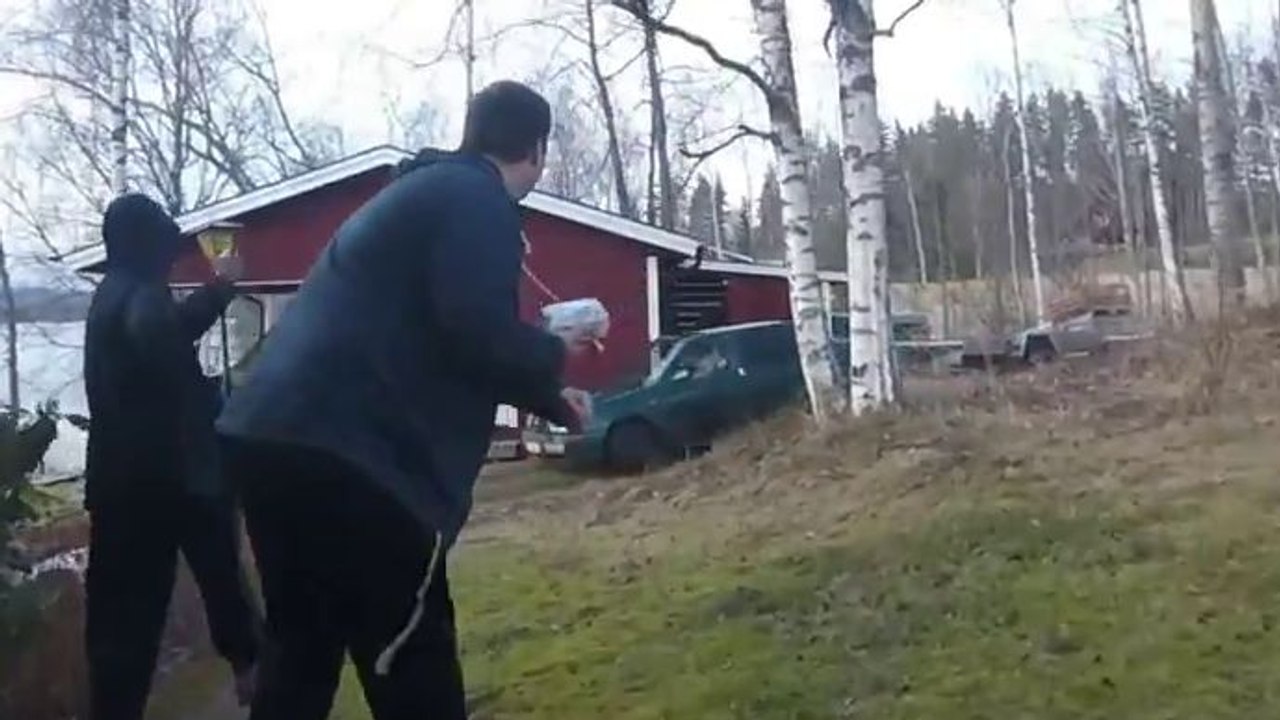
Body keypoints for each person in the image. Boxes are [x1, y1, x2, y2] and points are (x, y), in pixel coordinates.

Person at [216, 80, 590, 719]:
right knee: (410, 653)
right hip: (357, 455)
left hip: (271, 435)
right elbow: (475, 332)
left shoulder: (419, 194)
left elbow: (446, 338)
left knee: (301, 650)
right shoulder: (478, 199)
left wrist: (551, 400)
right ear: (537, 147)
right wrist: (555, 354)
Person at [83, 193, 260, 720]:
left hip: (122, 482)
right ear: (149, 244)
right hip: (171, 480)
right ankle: (255, 674)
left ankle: (117, 707)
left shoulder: (110, 295)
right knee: (218, 584)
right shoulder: (138, 296)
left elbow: (152, 367)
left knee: (121, 620)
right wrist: (221, 287)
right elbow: (158, 338)